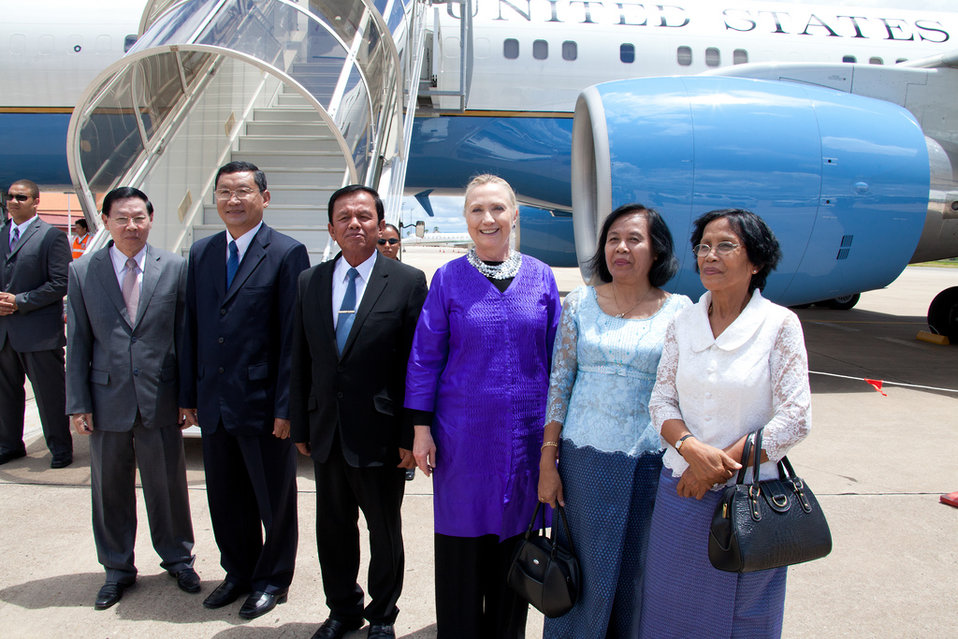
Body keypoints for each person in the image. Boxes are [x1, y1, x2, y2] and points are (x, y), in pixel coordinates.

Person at [638, 209, 811, 638]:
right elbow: (661, 400)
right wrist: (692, 452)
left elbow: (796, 419)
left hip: (750, 501)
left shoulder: (779, 325)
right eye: (704, 247)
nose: (710, 256)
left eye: (726, 246)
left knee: (743, 616)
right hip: (681, 490)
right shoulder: (683, 323)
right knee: (669, 608)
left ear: (756, 261)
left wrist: (716, 469)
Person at [405, 174, 562, 639]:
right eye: (477, 210)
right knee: (461, 555)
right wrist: (420, 429)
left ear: (514, 214)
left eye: (497, 208)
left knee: (515, 555)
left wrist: (555, 441)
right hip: (462, 443)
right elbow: (424, 357)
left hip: (525, 442)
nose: (487, 218)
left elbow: (559, 360)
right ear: (466, 219)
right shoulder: (448, 279)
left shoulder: (542, 276)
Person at [537, 204, 690, 638]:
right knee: (578, 575)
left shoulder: (680, 310)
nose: (621, 248)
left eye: (634, 239)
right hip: (582, 464)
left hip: (648, 464)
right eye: (612, 239)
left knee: (636, 574)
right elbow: (560, 382)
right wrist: (548, 461)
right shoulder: (580, 303)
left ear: (657, 250)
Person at [290, 185, 427, 639]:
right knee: (333, 530)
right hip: (327, 429)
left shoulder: (407, 281)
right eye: (344, 217)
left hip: (382, 434)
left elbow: (416, 363)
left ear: (380, 223)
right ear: (331, 228)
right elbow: (300, 357)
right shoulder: (310, 282)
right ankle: (341, 610)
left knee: (384, 532)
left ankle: (383, 615)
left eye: (364, 216)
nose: (355, 224)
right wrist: (300, 422)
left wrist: (411, 434)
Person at [179, 161, 309, 620]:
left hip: (262, 405)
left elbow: (294, 337)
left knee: (273, 499)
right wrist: (187, 394)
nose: (233, 200)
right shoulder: (201, 253)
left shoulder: (287, 253)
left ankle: (273, 579)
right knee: (225, 496)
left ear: (264, 198)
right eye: (224, 192)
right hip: (213, 402)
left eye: (243, 191)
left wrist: (287, 406)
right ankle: (237, 572)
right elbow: (191, 325)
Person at [65, 186, 199, 610]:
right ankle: (117, 568)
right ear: (105, 221)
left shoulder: (175, 267)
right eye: (121, 218)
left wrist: (186, 397)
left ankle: (178, 558)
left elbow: (184, 336)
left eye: (138, 217)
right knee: (109, 490)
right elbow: (79, 342)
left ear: (151, 218)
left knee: (168, 486)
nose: (131, 226)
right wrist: (77, 403)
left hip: (160, 395)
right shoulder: (84, 271)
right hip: (106, 398)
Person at [0, 179, 73, 468]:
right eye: (10, 197)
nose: (14, 201)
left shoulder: (51, 237)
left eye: (21, 197)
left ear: (35, 201)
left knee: (50, 395)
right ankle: (10, 445)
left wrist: (20, 300)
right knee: (5, 395)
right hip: (5, 333)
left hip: (39, 334)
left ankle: (60, 448)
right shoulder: (2, 234)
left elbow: (60, 282)